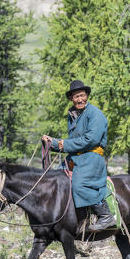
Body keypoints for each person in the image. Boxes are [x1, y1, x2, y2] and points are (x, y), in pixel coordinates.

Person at [42, 79, 116, 232]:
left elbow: (92, 139)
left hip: (91, 157)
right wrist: (52, 143)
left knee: (79, 184)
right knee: (55, 180)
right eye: (76, 97)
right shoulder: (73, 115)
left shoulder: (95, 114)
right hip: (76, 157)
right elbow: (73, 142)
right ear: (71, 98)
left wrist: (66, 144)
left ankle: (105, 215)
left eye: (82, 95)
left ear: (87, 95)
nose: (80, 99)